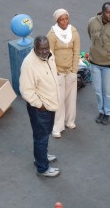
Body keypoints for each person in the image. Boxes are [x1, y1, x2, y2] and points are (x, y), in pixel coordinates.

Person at [19, 36, 60, 177]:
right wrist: (40, 105)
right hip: (40, 108)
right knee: (41, 137)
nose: (44, 51)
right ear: (35, 48)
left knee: (43, 134)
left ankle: (41, 156)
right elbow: (26, 90)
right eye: (41, 49)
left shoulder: (50, 55)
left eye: (46, 48)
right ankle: (43, 168)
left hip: (50, 104)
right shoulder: (29, 64)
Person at [47, 9, 80, 138]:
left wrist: (74, 70)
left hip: (70, 71)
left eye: (66, 18)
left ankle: (70, 121)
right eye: (62, 19)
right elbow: (50, 55)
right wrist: (55, 73)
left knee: (71, 98)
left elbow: (76, 52)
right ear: (57, 21)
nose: (65, 21)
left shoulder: (74, 32)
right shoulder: (52, 34)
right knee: (59, 100)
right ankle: (57, 127)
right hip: (58, 73)